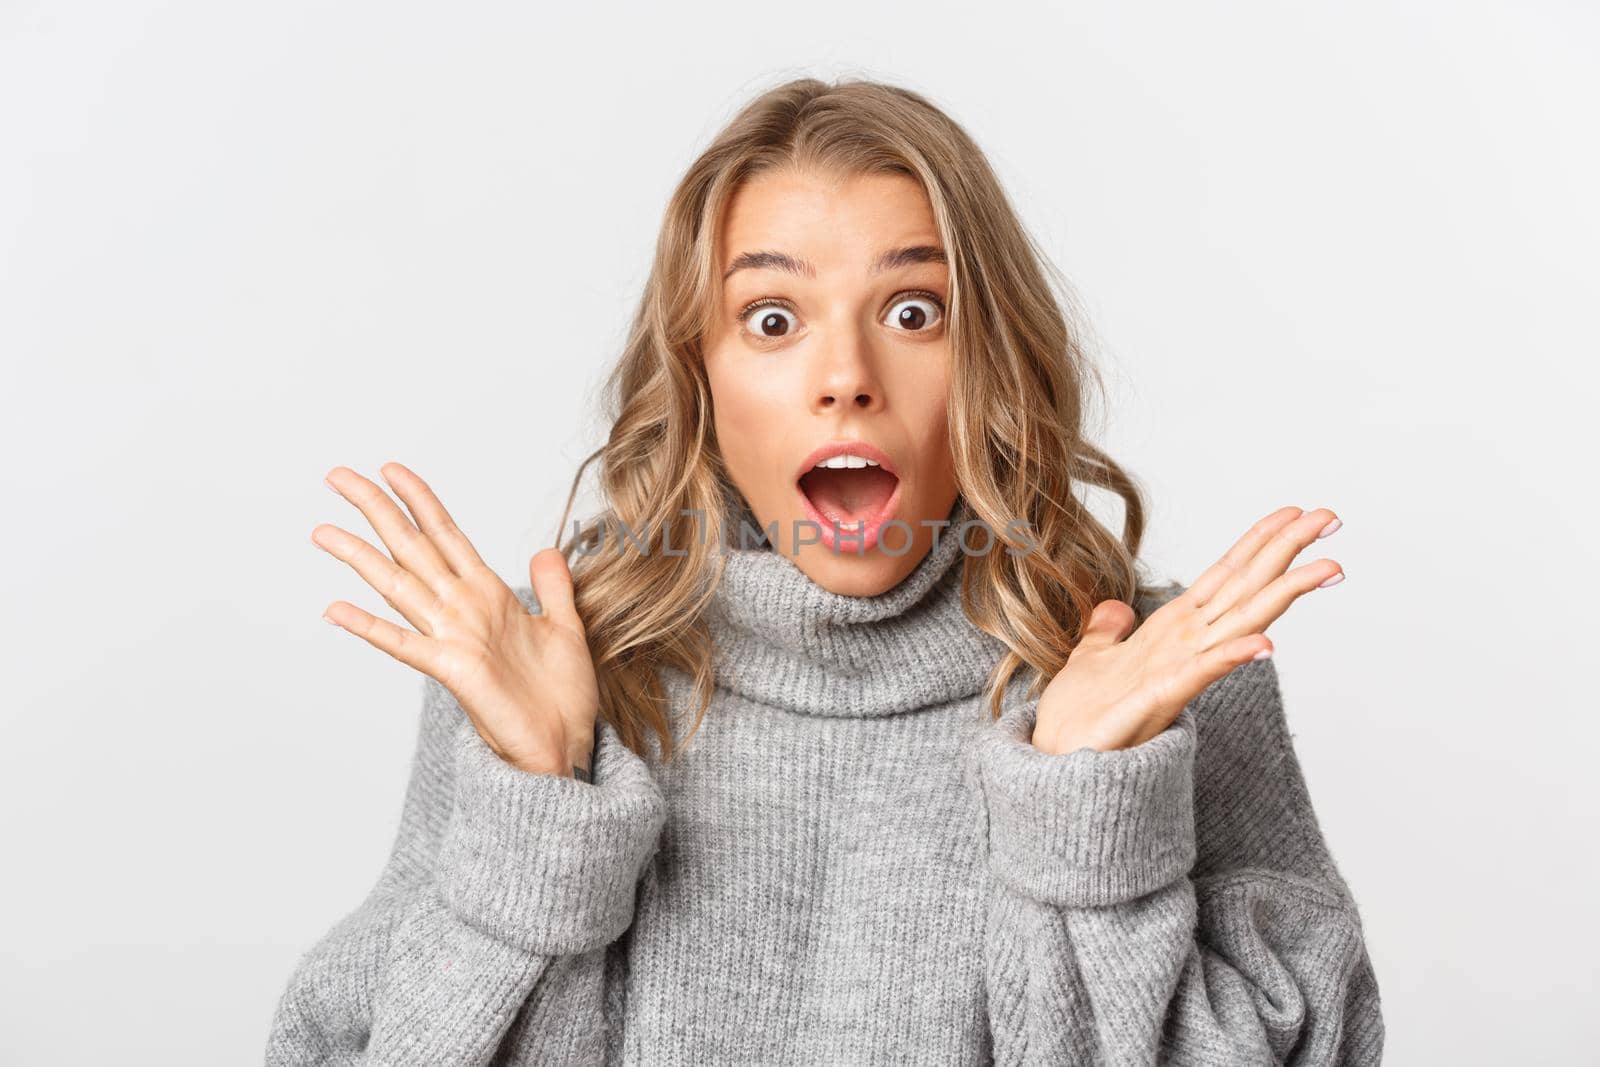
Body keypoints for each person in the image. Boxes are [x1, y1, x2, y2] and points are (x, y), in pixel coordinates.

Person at [266, 77, 1384, 1064]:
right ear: (696, 377)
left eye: (913, 311)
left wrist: (1088, 816)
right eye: (770, 317)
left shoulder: (1160, 671)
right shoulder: (553, 664)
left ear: (993, 355)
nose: (845, 375)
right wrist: (539, 803)